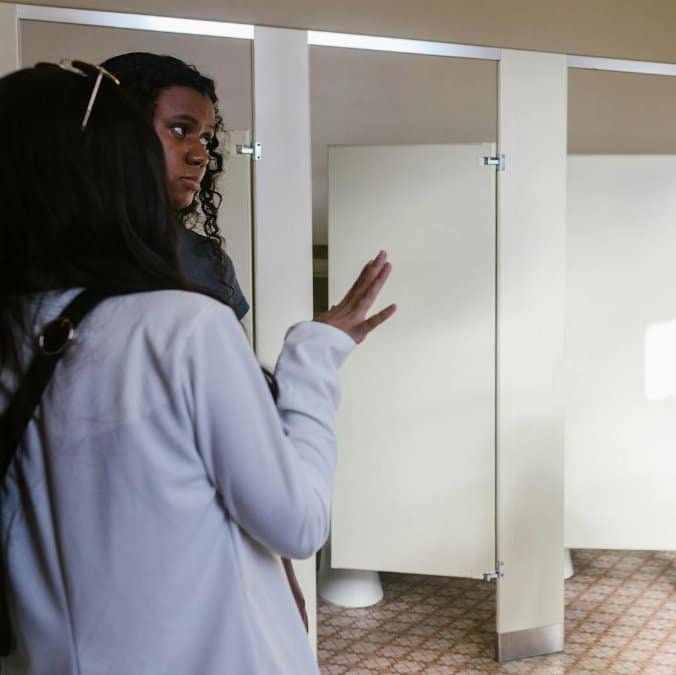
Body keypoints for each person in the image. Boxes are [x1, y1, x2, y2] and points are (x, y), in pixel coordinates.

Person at [0, 61, 395, 674]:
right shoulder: (182, 326)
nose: (197, 155)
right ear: (99, 170)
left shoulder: (17, 330)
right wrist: (315, 355)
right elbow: (297, 521)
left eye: (204, 138)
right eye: (171, 133)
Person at [100, 51, 248, 318]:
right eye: (180, 130)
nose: (200, 156)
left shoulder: (208, 262)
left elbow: (231, 361)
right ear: (120, 133)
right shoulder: (43, 251)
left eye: (205, 138)